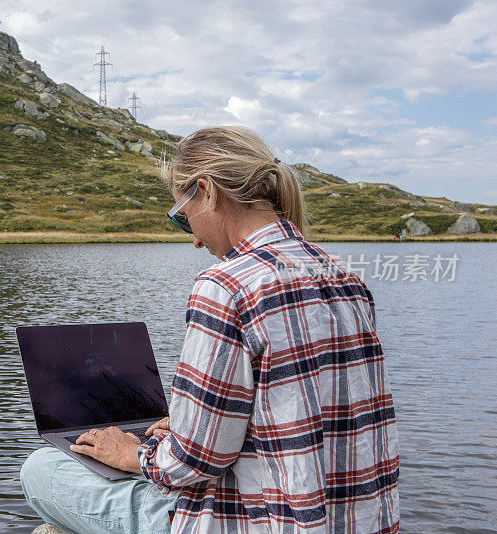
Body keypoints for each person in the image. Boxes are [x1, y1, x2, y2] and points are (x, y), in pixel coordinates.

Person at [20, 126, 399, 534]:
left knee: (41, 469)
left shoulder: (225, 287)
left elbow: (196, 461)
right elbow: (299, 410)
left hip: (264, 523)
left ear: (206, 191)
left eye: (183, 219)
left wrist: (134, 453)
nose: (195, 241)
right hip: (358, 521)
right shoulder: (343, 275)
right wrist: (188, 421)